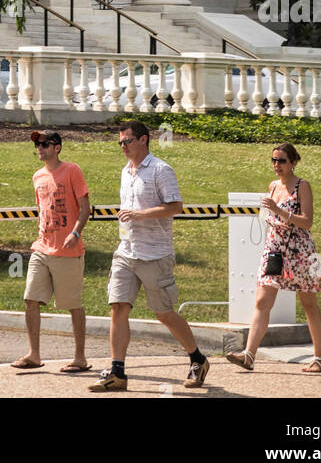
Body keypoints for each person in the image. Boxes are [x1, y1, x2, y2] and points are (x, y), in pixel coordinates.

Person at [90, 121, 209, 392]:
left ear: (143, 140)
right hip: (126, 251)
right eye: (120, 142)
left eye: (127, 141)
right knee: (118, 306)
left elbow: (175, 206)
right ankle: (117, 371)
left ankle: (197, 359)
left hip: (155, 254)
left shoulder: (161, 169)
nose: (122, 146)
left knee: (164, 313)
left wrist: (139, 215)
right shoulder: (125, 171)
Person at [226, 141, 321, 373]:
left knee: (309, 303)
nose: (276, 165)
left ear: (293, 162)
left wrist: (280, 210)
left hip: (302, 250)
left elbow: (307, 222)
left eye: (281, 160)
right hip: (275, 248)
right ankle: (249, 355)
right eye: (274, 160)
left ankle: (319, 357)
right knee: (262, 300)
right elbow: (268, 217)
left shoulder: (303, 186)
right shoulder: (272, 186)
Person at [11, 129, 92, 373]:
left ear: (57, 147)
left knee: (72, 304)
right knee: (30, 298)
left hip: (68, 251)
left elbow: (86, 208)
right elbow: (42, 210)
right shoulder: (37, 176)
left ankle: (80, 357)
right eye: (38, 144)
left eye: (45, 144)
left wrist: (75, 233)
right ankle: (34, 354)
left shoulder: (72, 171)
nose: (40, 148)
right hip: (42, 248)